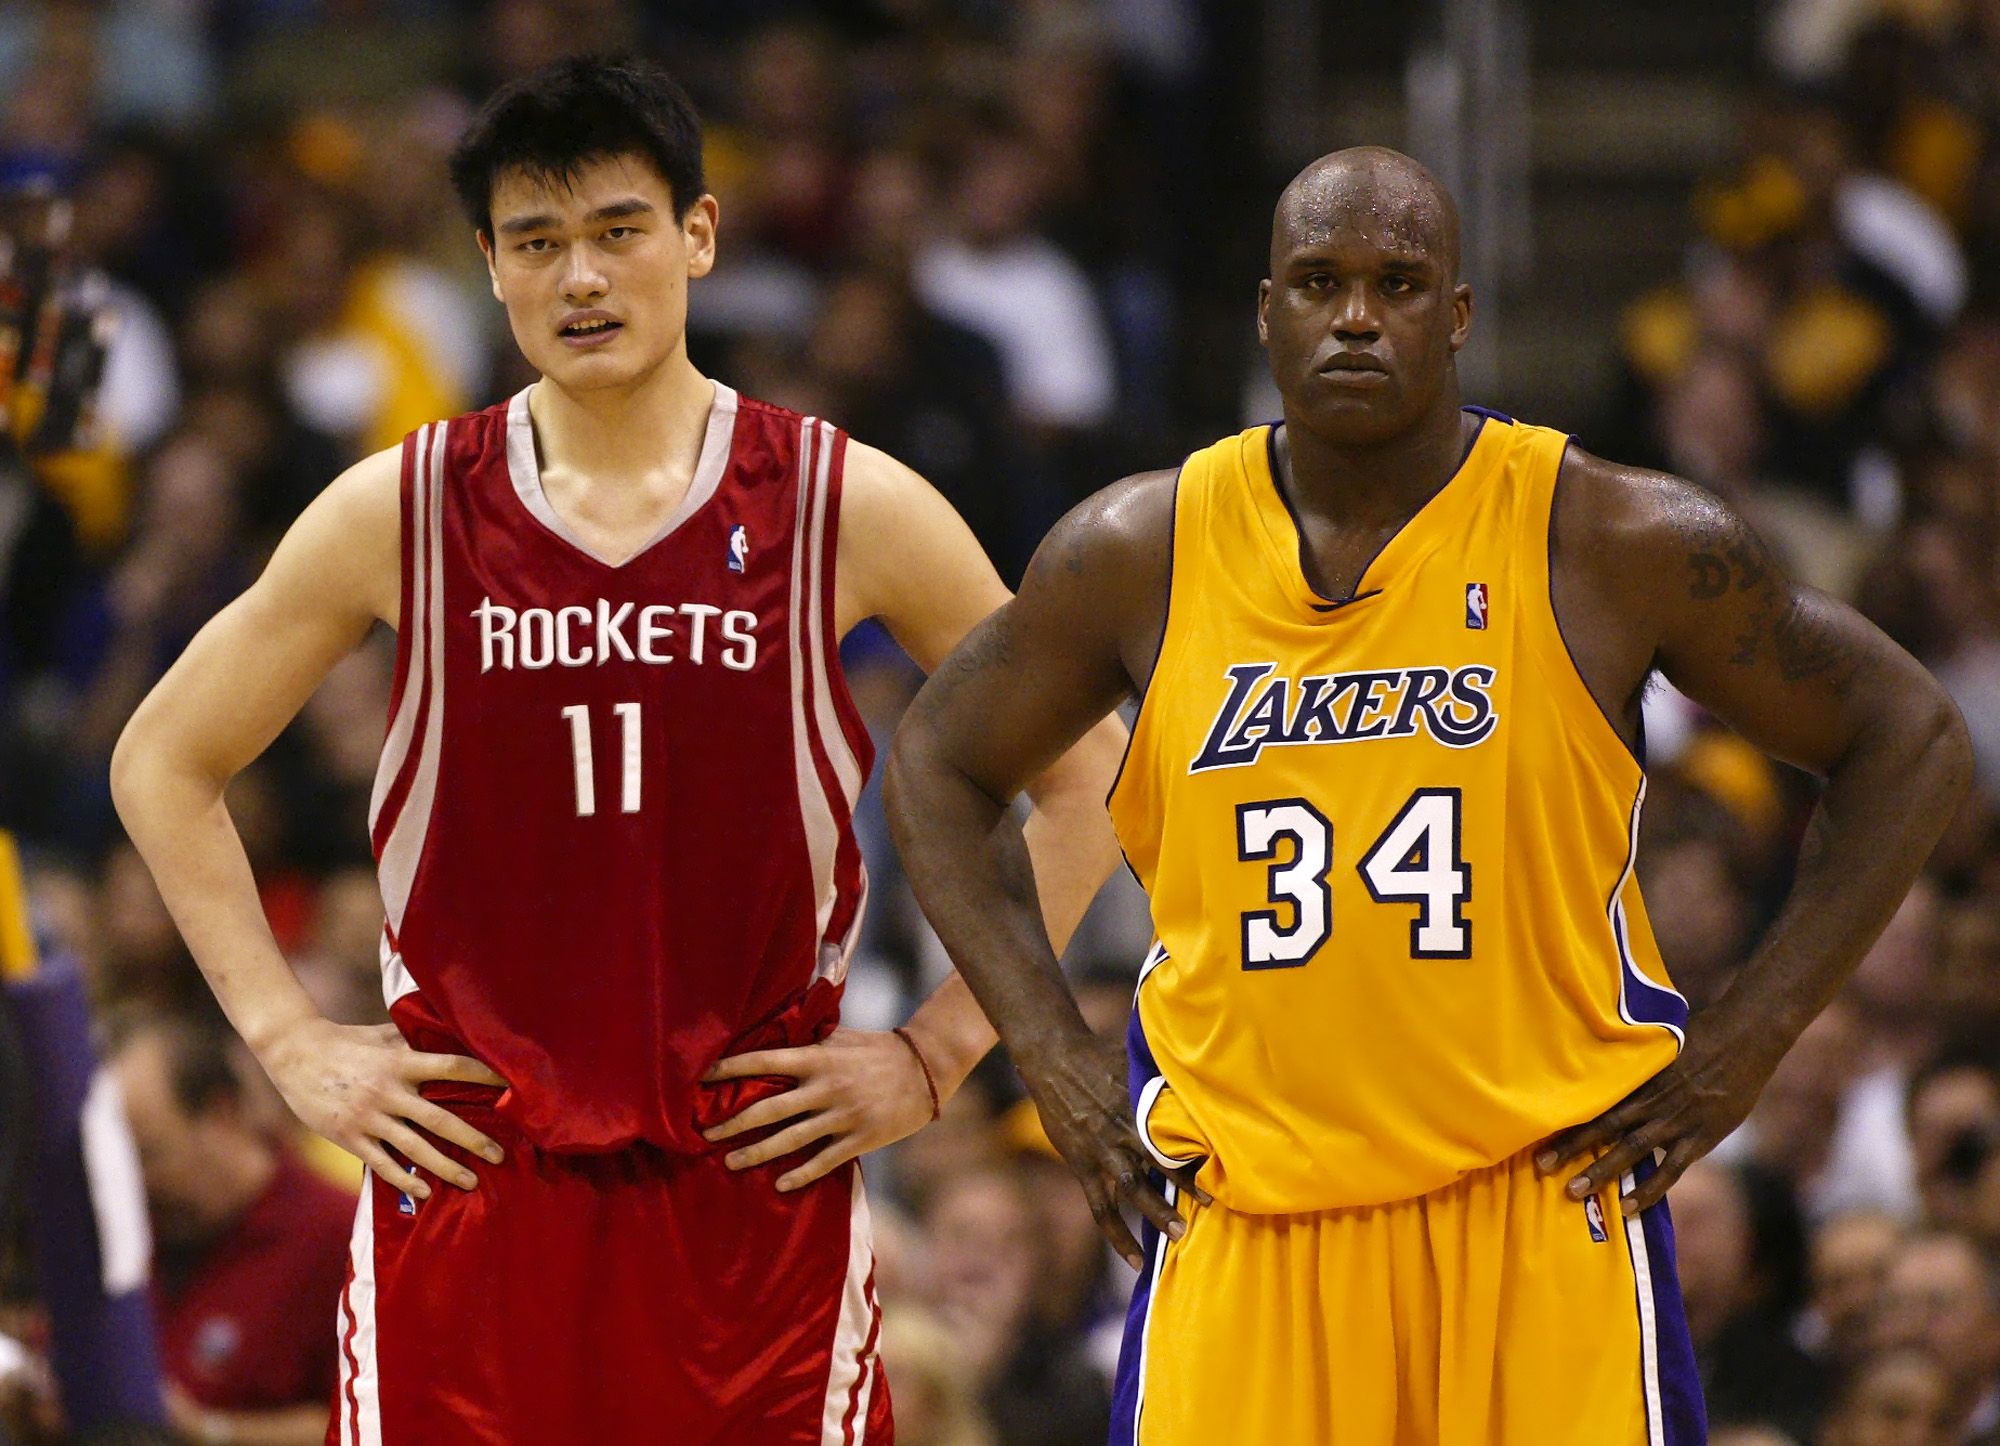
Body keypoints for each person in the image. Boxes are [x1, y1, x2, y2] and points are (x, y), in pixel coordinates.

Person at [884, 145, 1972, 1444]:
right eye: (1319, 281)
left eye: (1398, 283)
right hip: (1248, 1212)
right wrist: (1056, 1065)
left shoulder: (1610, 540)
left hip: (1537, 1201)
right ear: (1265, 309)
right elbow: (934, 766)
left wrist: (1745, 1045)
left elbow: (1909, 735)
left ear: (1456, 315)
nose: (1356, 315)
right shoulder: (1142, 550)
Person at [108, 57, 1125, 1444]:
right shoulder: (399, 511)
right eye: (536, 243)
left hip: (749, 1208)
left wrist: (941, 1052)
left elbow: (1093, 770)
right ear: (488, 266)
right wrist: (290, 1041)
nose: (579, 277)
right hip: (471, 1192)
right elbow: (162, 760)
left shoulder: (844, 503)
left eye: (616, 231)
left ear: (697, 236)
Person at [107, 1011, 352, 1446]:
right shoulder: (121, 1228)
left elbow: (374, 1422)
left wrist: (206, 1431)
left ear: (220, 1113)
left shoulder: (340, 1237)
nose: (136, 1182)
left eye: (149, 1155)